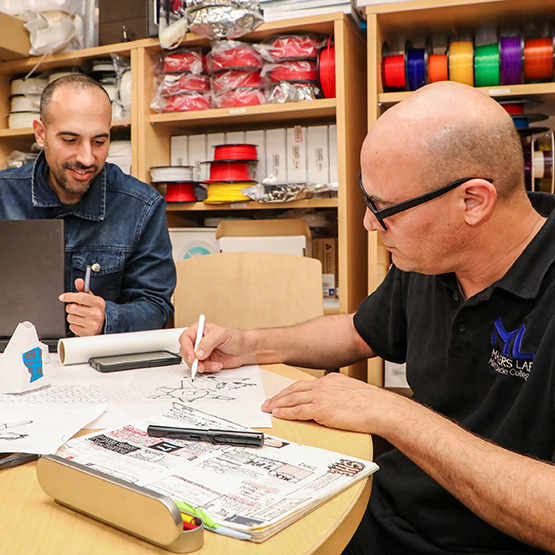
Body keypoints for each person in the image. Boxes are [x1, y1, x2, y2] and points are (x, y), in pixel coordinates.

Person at [179, 81, 555, 554]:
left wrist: (395, 414)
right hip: (383, 505)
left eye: (384, 208)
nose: (368, 224)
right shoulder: (432, 257)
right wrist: (249, 344)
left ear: (473, 201)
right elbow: (358, 330)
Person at [0, 74, 176, 336]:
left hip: (97, 366)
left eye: (99, 141)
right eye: (70, 140)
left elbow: (157, 306)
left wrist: (107, 318)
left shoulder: (141, 206)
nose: (86, 157)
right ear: (41, 134)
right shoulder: (4, 195)